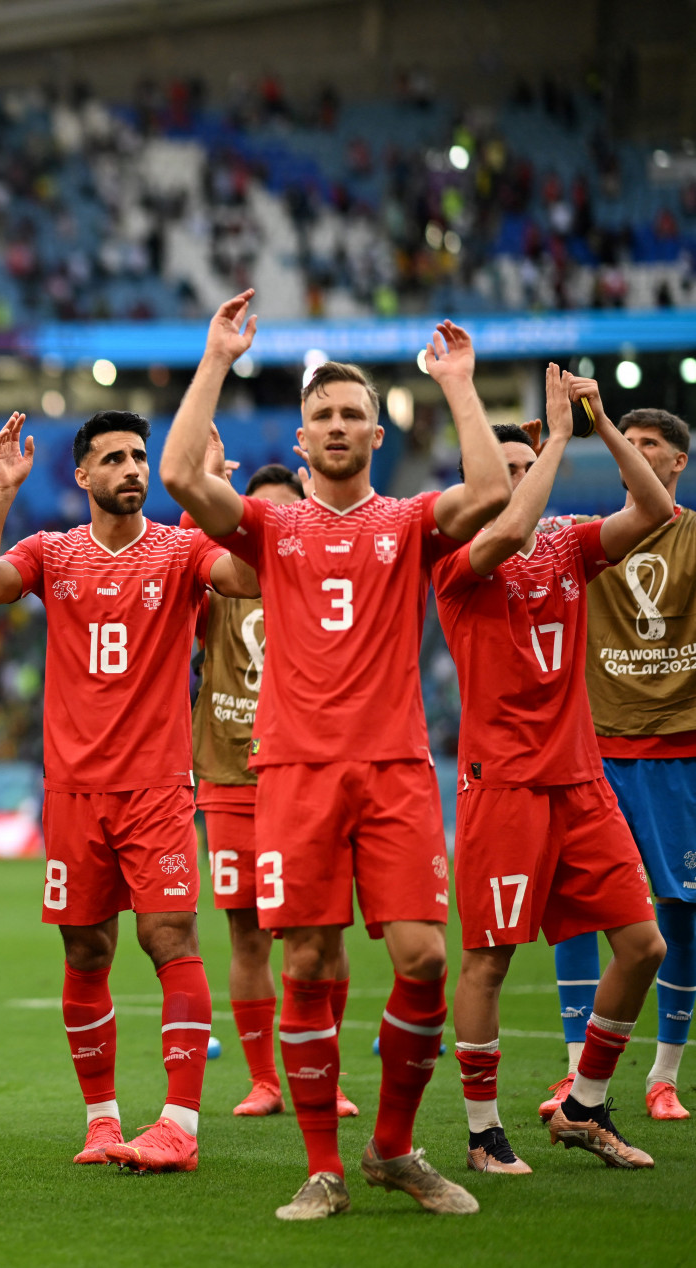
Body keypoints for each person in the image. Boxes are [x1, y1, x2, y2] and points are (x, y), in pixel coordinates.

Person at [162, 292, 510, 1220]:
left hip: (394, 768)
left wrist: (460, 386)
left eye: (353, 414)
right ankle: (322, 1166)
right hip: (293, 773)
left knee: (425, 958)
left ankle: (392, 1148)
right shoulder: (274, 530)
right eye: (322, 416)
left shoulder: (406, 523)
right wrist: (214, 360)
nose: (338, 426)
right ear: (303, 437)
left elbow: (492, 494)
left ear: (376, 434)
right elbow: (183, 481)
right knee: (307, 964)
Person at [0, 409, 260, 1174]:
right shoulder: (52, 553)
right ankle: (100, 1122)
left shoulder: (183, 547)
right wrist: (1, 493)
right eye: (113, 459)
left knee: (169, 941)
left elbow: (251, 577)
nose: (131, 468)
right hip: (71, 791)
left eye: (138, 457)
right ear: (82, 475)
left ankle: (179, 1125)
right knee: (85, 949)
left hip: (155, 784)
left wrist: (220, 495)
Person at [436, 365, 669, 1174]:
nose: (501, 485)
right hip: (500, 786)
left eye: (513, 467)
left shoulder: (568, 543)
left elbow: (655, 510)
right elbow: (502, 536)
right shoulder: (458, 557)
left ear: (532, 459)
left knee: (643, 946)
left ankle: (584, 1106)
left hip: (578, 780)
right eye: (487, 475)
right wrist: (554, 446)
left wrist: (597, 423)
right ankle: (479, 1130)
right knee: (488, 961)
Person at [189, 462, 358, 1120]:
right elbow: (184, 547)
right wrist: (201, 482)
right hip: (229, 775)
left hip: (309, 772)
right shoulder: (212, 584)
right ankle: (263, 1080)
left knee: (323, 934)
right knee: (246, 936)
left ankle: (328, 1076)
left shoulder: (325, 582)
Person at [546, 395, 696, 1123]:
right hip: (597, 749)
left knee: (679, 914)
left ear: (676, 461)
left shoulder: (694, 541)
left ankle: (662, 1074)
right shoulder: (589, 540)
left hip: (679, 751)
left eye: (644, 443)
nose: (629, 452)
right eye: (622, 441)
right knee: (575, 907)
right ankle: (575, 1069)